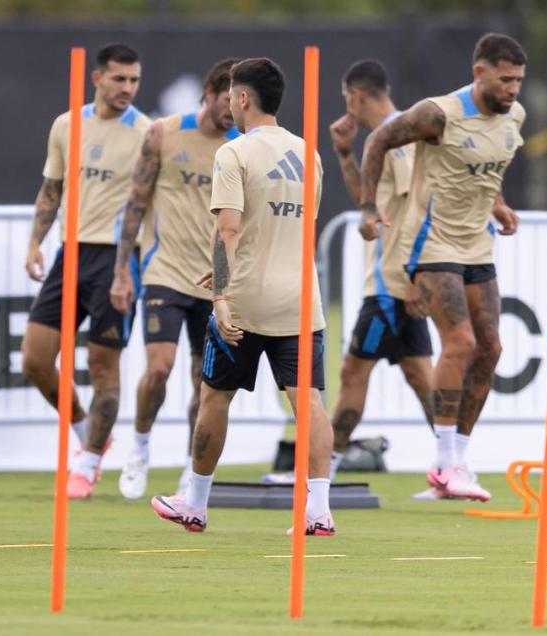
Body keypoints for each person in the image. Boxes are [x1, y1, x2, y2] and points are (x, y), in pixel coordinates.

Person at [150, 57, 335, 536]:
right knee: (309, 403)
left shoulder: (233, 153)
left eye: (232, 95)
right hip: (300, 302)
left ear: (244, 99)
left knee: (215, 397)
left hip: (247, 302)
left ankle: (194, 503)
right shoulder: (308, 153)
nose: (230, 103)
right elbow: (291, 229)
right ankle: (317, 512)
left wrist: (222, 297)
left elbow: (228, 230)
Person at [360, 33, 526, 500]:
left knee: (491, 348)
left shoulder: (515, 116)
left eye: (519, 80)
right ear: (480, 72)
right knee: (461, 341)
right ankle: (445, 463)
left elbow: (484, 166)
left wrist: (497, 203)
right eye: (506, 79)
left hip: (477, 245)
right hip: (429, 244)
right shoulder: (438, 114)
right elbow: (377, 140)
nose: (514, 89)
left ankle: (455, 462)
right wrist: (368, 208)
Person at [21, 43, 151, 499]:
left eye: (134, 80)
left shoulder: (147, 133)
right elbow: (51, 188)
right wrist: (36, 242)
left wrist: (131, 266)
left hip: (118, 260)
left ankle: (90, 464)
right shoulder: (66, 125)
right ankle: (84, 429)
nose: (128, 89)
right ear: (97, 78)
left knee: (102, 366)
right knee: (35, 359)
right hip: (69, 253)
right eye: (120, 79)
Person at [110, 58, 241, 501]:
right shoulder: (165, 133)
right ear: (208, 92)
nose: (233, 110)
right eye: (228, 100)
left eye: (241, 103)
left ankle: (190, 467)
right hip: (165, 274)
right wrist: (121, 273)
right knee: (158, 371)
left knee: (203, 386)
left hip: (216, 283)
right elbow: (135, 202)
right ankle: (140, 447)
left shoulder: (242, 147)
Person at [326, 60, 438, 495]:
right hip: (395, 280)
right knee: (420, 378)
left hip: (393, 283)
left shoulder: (399, 136)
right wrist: (343, 153)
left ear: (356, 95)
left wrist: (414, 280)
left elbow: (416, 209)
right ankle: (454, 464)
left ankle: (325, 471)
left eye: (345, 99)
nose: (346, 107)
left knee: (354, 371)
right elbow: (369, 199)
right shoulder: (383, 140)